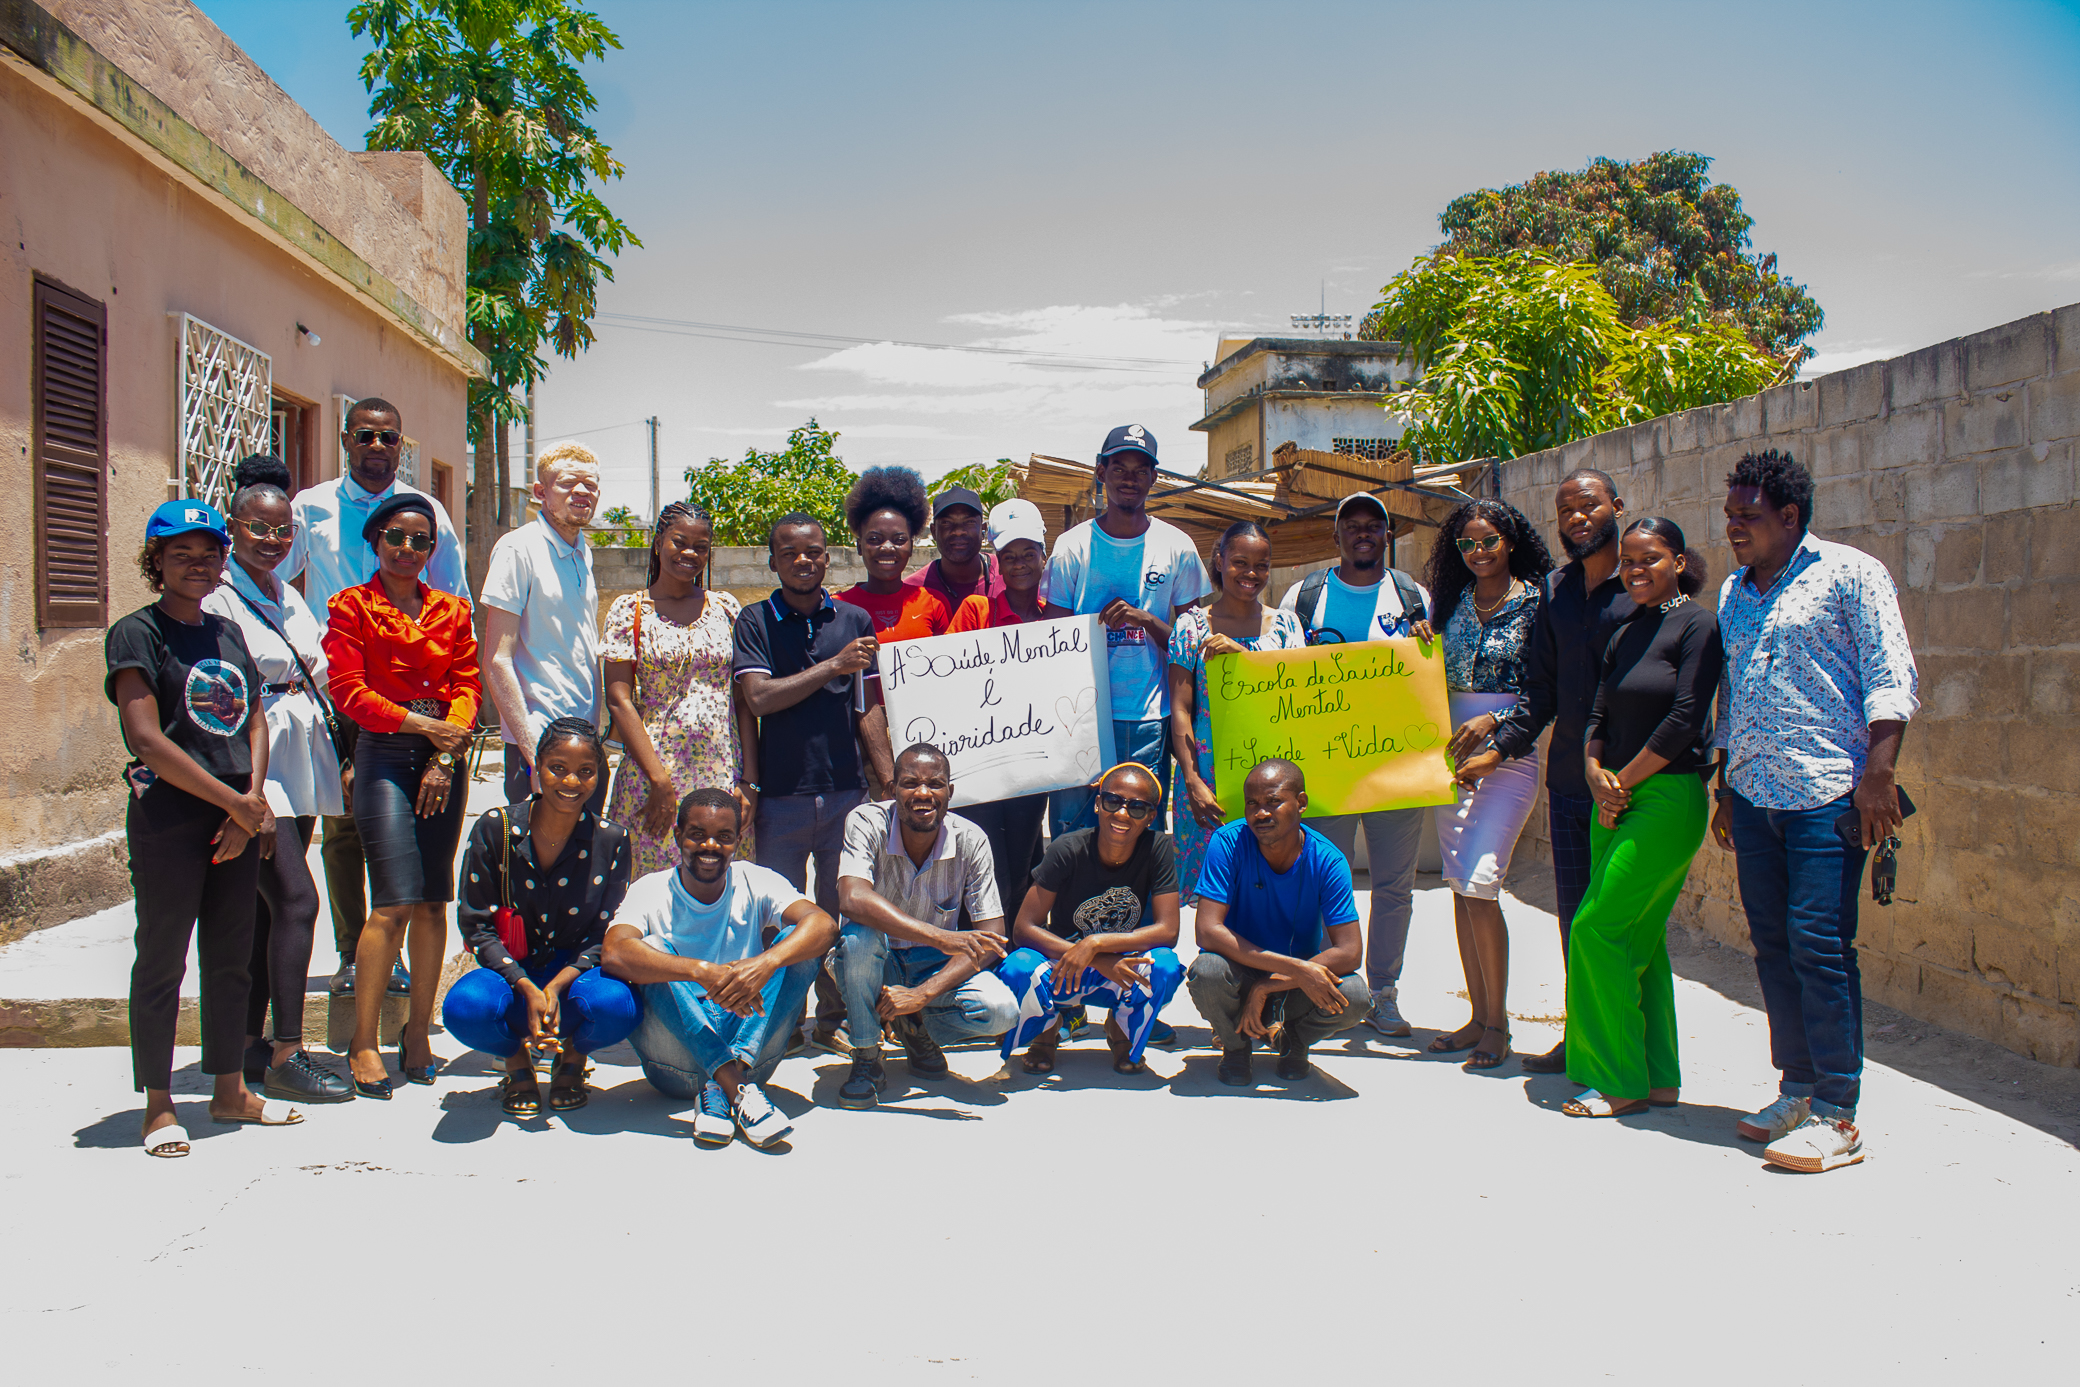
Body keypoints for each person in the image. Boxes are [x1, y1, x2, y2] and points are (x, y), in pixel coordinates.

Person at [1711, 450, 1917, 1173]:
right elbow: (1732, 696)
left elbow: (1891, 676)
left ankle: (1838, 1110)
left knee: (1819, 944)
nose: (1734, 526)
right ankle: (1796, 1089)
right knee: (1772, 946)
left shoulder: (1851, 574)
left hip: (1828, 794)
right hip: (1755, 795)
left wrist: (1878, 777)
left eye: (1749, 515)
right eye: (1731, 514)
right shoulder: (1735, 591)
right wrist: (1724, 789)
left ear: (1790, 517)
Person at [108, 500, 302, 1155]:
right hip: (171, 819)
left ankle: (229, 1089)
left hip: (235, 819)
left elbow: (254, 719)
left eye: (209, 553)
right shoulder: (136, 634)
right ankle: (159, 1104)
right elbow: (147, 740)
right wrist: (238, 804)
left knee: (230, 960)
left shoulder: (227, 634)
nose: (198, 564)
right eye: (181, 553)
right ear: (155, 561)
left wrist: (249, 802)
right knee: (162, 960)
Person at [279, 397, 466, 998]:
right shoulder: (311, 508)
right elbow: (275, 584)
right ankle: (353, 952)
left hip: (418, 703)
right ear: (345, 439)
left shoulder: (429, 511)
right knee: (342, 825)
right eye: (366, 436)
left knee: (410, 824)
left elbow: (452, 596)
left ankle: (399, 948)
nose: (378, 447)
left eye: (389, 438)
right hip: (344, 690)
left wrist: (446, 713)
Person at [1473, 468, 1635, 1074]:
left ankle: (1628, 1048)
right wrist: (1500, 747)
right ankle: (1584, 1034)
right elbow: (1539, 692)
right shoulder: (1556, 591)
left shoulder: (1640, 585)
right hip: (1568, 783)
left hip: (1629, 785)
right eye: (1565, 509)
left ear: (1615, 506)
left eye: (1587, 506)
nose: (1575, 518)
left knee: (1616, 923)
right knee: (1574, 919)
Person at [203, 456, 352, 1103]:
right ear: (232, 527)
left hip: (300, 754)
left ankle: (246, 1042)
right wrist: (248, 793)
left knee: (267, 909)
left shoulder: (286, 592)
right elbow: (220, 698)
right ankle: (289, 1051)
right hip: (255, 767)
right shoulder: (218, 597)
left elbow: (314, 668)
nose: (272, 539)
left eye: (283, 529)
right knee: (296, 898)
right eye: (258, 528)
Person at [1561, 518, 1721, 1118]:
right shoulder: (1625, 628)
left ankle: (1616, 1081)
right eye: (1628, 561)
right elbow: (1598, 713)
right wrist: (1594, 773)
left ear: (1678, 561)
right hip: (1616, 797)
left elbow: (1685, 718)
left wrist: (1620, 783)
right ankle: (1655, 1077)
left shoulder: (1698, 625)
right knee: (1643, 941)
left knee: (1596, 929)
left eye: (1649, 559)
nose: (1635, 570)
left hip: (1665, 797)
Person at [323, 493, 481, 1100]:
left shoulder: (453, 610)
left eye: (421, 541)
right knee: (392, 900)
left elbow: (465, 684)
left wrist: (445, 753)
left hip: (445, 756)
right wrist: (426, 729)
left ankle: (418, 1033)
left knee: (433, 902)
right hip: (385, 755)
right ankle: (364, 1040)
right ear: (375, 541)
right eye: (396, 537)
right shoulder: (349, 606)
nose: (408, 549)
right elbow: (348, 691)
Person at [1278, 492, 1434, 1038]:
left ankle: (1384, 992)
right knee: (1326, 882)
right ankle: (1331, 988)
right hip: (1328, 773)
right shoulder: (1305, 597)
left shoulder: (1413, 597)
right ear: (1336, 536)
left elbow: (1429, 677)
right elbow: (1284, 676)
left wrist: (1426, 646)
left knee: (1394, 886)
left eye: (1375, 526)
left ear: (1387, 536)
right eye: (1352, 526)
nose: (1363, 534)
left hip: (1396, 771)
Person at [602, 788, 838, 1148]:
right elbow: (614, 953)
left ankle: (725, 1083)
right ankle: (737, 1087)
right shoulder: (651, 889)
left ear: (737, 841)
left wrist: (765, 962)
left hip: (751, 1048)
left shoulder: (754, 879)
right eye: (697, 834)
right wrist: (701, 971)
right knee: (648, 950)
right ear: (678, 835)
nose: (710, 846)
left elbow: (824, 926)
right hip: (676, 1064)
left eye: (724, 837)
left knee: (798, 942)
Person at [733, 512, 882, 1051]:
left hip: (846, 791)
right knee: (780, 912)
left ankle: (834, 1016)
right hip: (782, 795)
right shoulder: (754, 621)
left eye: (813, 551)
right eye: (789, 552)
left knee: (840, 911)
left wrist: (882, 776)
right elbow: (759, 698)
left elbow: (866, 708)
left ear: (827, 557)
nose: (802, 561)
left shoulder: (854, 619)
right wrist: (831, 666)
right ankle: (782, 1020)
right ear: (772, 561)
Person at [447, 717, 640, 1114]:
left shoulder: (612, 839)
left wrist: (554, 989)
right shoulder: (495, 828)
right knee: (465, 1007)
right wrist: (526, 986)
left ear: (599, 776)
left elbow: (605, 932)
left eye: (586, 772)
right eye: (558, 768)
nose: (571, 783)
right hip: (509, 973)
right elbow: (476, 925)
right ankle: (517, 1061)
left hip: (576, 978)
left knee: (619, 1006)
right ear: (537, 765)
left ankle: (572, 1057)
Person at [1423, 499, 1552, 1072]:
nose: (1478, 553)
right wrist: (1421, 638)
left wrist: (1496, 725)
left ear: (1511, 541)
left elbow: (1547, 690)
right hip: (1449, 754)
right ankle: (1476, 1015)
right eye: (1467, 544)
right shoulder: (1448, 604)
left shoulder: (1537, 602)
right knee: (1459, 883)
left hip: (1509, 755)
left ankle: (1498, 1023)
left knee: (1481, 879)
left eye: (1489, 541)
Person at [1044, 424, 1212, 836]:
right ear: (1101, 472)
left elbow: (1192, 643)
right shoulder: (1072, 546)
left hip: (1147, 719)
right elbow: (1050, 643)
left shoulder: (1177, 546)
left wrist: (1145, 620)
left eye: (1141, 470)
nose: (1130, 479)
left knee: (1138, 837)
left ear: (1154, 478)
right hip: (1079, 717)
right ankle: (1072, 906)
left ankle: (1139, 905)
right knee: (1073, 835)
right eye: (1119, 468)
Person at [830, 744, 1018, 1108]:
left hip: (927, 966)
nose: (922, 793)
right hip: (872, 961)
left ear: (950, 792)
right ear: (891, 791)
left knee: (1001, 1011)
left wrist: (923, 994)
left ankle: (915, 1024)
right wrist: (942, 936)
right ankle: (867, 1056)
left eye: (935, 783)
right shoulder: (866, 821)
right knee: (858, 936)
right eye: (910, 783)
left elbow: (992, 936)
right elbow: (852, 898)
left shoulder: (971, 839)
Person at [1185, 760, 1369, 1086]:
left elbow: (1350, 951)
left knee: (1354, 996)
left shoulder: (1328, 859)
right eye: (1252, 804)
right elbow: (1208, 930)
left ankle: (1292, 1041)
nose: (1261, 814)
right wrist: (1276, 975)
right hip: (1238, 971)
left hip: (1292, 983)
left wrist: (1271, 983)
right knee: (1208, 970)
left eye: (1273, 802)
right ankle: (1235, 1046)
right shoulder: (1227, 842)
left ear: (1301, 803)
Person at [997, 763, 1183, 1076]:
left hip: (1119, 968)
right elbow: (1023, 929)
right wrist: (1094, 959)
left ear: (1152, 817)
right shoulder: (1067, 849)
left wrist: (1096, 944)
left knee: (1164, 965)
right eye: (1112, 802)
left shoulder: (1157, 849)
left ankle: (1121, 1030)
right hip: (1065, 967)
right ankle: (1046, 1031)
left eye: (1137, 808)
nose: (1122, 815)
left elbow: (1169, 931)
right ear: (1098, 804)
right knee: (1018, 966)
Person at [604, 502, 757, 877]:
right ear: (658, 543)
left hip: (722, 769)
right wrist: (659, 781)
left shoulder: (725, 608)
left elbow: (742, 699)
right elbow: (619, 698)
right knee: (654, 886)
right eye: (680, 541)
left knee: (723, 885)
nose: (690, 553)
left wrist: (750, 780)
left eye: (701, 546)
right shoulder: (630, 611)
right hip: (653, 775)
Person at [945, 497, 1072, 921]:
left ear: (1043, 555)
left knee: (1022, 860)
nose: (1020, 564)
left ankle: (1018, 956)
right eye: (1009, 556)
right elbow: (946, 681)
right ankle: (983, 953)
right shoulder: (975, 610)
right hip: (979, 764)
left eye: (1029, 554)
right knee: (983, 863)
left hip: (1031, 767)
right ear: (996, 562)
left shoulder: (1055, 617)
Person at [1169, 521, 1307, 902]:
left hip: (1273, 781)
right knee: (1214, 893)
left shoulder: (1286, 627)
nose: (1251, 574)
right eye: (1240, 563)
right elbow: (1180, 709)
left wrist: (1244, 657)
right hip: (1209, 782)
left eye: (1261, 566)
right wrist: (1193, 781)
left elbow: (1293, 698)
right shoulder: (1191, 627)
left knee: (1271, 886)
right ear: (1219, 560)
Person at [481, 441, 604, 807]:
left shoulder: (583, 550)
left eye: (592, 485)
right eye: (568, 483)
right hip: (540, 742)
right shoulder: (517, 548)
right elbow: (496, 659)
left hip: (584, 739)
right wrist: (533, 749)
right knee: (533, 859)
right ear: (540, 492)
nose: (582, 492)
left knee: (582, 857)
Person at [835, 466, 954, 783]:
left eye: (899, 539)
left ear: (912, 544)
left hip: (925, 740)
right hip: (857, 749)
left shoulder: (931, 604)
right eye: (874, 539)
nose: (887, 548)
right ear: (859, 545)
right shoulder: (837, 608)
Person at [906, 483, 1001, 607]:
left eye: (969, 522)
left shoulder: (1010, 575)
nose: (958, 531)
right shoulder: (913, 591)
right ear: (934, 531)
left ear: (983, 529)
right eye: (946, 522)